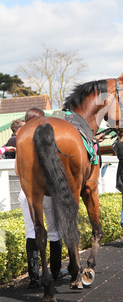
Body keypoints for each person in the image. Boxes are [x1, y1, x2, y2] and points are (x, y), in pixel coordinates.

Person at [17, 108, 67, 288]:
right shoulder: (47, 137)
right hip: (46, 192)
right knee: (54, 230)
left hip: (26, 192)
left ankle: (33, 276)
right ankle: (55, 271)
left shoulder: (21, 138)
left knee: (31, 231)